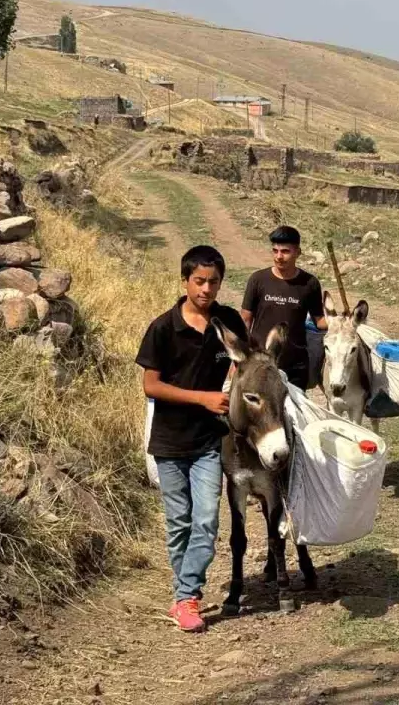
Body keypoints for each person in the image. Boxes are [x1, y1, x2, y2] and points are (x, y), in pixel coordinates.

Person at [136, 245, 247, 633]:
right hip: (168, 441)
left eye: (213, 282)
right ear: (185, 281)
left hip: (207, 442)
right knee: (179, 522)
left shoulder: (228, 321)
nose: (206, 289)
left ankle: (187, 597)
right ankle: (182, 592)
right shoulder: (163, 328)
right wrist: (202, 398)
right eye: (199, 281)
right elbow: (151, 386)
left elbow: (245, 365)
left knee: (206, 521)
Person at [241, 226, 327, 391]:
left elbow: (320, 321)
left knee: (293, 413)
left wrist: (342, 322)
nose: (279, 257)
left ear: (298, 252)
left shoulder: (310, 283)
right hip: (260, 364)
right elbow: (245, 319)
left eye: (285, 251)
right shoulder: (258, 279)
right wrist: (240, 359)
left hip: (295, 365)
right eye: (275, 251)